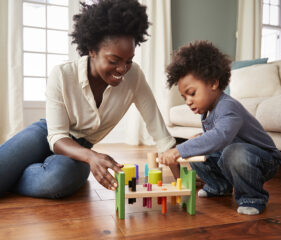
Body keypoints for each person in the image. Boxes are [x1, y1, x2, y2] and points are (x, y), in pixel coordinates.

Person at [0, 0, 175, 199]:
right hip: (47, 135)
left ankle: (12, 177)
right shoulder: (63, 74)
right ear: (92, 50)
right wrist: (93, 157)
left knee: (57, 179)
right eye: (113, 60)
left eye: (129, 60)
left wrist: (182, 177)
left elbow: (160, 133)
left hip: (80, 151)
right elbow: (57, 137)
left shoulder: (134, 76)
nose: (122, 69)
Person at [158, 41, 281, 215]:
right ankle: (219, 186)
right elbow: (212, 141)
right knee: (197, 147)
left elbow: (221, 137)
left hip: (264, 160)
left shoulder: (228, 106)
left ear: (213, 83)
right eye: (184, 97)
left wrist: (178, 150)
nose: (188, 101)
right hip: (232, 156)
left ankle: (252, 197)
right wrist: (195, 142)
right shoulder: (207, 112)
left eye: (192, 93)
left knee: (230, 151)